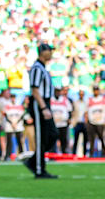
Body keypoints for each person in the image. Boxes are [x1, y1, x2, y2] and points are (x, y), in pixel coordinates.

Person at [23, 43, 56, 179]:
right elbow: (35, 90)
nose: (51, 53)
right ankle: (38, 169)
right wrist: (43, 107)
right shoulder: (37, 68)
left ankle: (34, 161)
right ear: (43, 52)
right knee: (42, 136)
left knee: (52, 134)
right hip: (39, 103)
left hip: (44, 102)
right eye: (49, 51)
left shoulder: (42, 68)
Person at [85, 86, 105, 157]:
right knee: (91, 139)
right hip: (91, 123)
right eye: (94, 90)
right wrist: (86, 122)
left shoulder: (104, 99)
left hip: (101, 123)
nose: (96, 92)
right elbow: (86, 112)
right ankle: (91, 154)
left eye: (97, 90)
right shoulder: (89, 100)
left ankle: (104, 153)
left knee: (102, 138)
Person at [49, 87, 72, 155]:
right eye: (56, 91)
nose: (57, 93)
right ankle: (52, 154)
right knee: (52, 140)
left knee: (63, 140)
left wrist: (69, 118)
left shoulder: (65, 100)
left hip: (63, 124)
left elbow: (70, 110)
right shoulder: (51, 100)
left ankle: (64, 153)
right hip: (54, 124)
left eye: (58, 91)